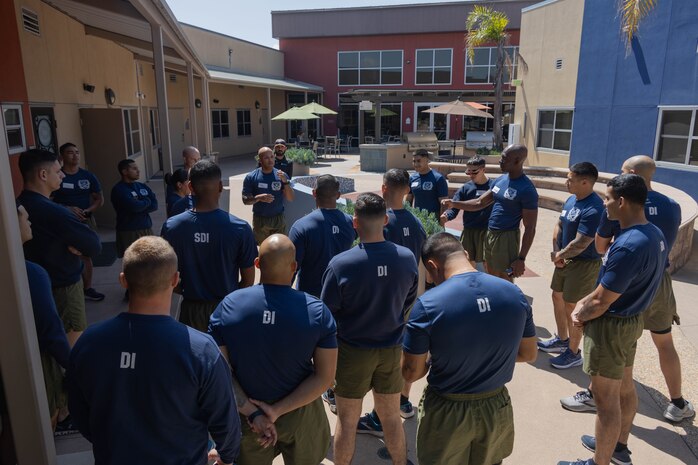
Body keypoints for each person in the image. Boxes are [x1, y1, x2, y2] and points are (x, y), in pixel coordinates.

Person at [67, 236, 240, 465]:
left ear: (123, 281)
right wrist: (226, 457)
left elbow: (79, 411)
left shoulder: (89, 343)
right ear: (175, 280)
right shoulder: (202, 351)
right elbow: (226, 423)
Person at [561, 155, 693, 423]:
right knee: (664, 342)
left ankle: (594, 394)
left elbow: (600, 246)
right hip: (659, 279)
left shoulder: (622, 206)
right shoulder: (672, 205)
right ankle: (678, 402)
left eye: (623, 172)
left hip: (626, 281)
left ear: (632, 175)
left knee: (618, 341)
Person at [557, 174, 667, 465]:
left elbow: (601, 300)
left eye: (607, 198)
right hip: (630, 323)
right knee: (625, 388)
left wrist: (579, 314)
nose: (604, 204)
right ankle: (616, 446)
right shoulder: (654, 234)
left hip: (611, 327)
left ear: (621, 201)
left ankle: (599, 461)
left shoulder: (628, 244)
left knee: (605, 402)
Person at [402, 232, 537, 465]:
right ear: (465, 254)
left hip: (447, 410)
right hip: (496, 406)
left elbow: (411, 373)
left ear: (432, 265)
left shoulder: (428, 305)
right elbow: (528, 353)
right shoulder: (514, 294)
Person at [209, 234, 337, 465]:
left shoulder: (228, 307)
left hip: (247, 420)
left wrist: (254, 412)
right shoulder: (317, 311)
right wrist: (276, 411)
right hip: (301, 414)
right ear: (294, 267)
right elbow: (325, 377)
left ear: (257, 264)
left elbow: (219, 372)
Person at [321, 193, 419, 465]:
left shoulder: (341, 264)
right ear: (386, 220)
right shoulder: (407, 258)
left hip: (352, 352)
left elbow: (326, 314)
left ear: (354, 223)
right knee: (390, 417)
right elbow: (408, 300)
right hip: (391, 350)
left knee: (347, 421)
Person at [347, 168, 426, 430]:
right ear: (407, 191)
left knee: (382, 361)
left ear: (383, 189)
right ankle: (403, 400)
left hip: (382, 301)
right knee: (406, 351)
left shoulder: (383, 222)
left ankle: (379, 416)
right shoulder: (415, 223)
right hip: (408, 298)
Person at [18, 149, 102, 348]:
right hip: (63, 289)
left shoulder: (21, 205)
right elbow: (94, 245)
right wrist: (81, 248)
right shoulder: (54, 212)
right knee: (71, 346)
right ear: (43, 175)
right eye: (58, 171)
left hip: (40, 287)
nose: (63, 175)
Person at [161, 160, 257, 332]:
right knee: (225, 358)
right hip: (228, 309)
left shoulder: (172, 227)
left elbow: (166, 277)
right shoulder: (240, 228)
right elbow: (249, 280)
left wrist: (188, 290)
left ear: (190, 187)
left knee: (193, 357)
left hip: (191, 310)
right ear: (220, 186)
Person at [538, 163, 604, 370]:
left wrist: (559, 255)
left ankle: (574, 353)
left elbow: (583, 241)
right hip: (564, 260)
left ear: (585, 182)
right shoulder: (571, 199)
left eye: (570, 179)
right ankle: (562, 339)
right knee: (557, 296)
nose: (566, 182)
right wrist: (556, 251)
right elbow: (560, 224)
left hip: (583, 264)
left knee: (573, 307)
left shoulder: (594, 208)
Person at [441, 144, 538, 282]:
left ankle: (506, 303)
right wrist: (454, 203)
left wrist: (521, 258)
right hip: (490, 234)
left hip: (507, 237)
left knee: (504, 278)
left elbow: (530, 228)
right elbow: (479, 203)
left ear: (517, 161)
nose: (500, 161)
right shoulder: (500, 180)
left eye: (504, 158)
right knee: (490, 274)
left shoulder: (527, 189)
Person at [17, 200, 71, 429]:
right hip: (34, 357)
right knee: (45, 419)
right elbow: (51, 330)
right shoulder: (30, 273)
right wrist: (74, 364)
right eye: (22, 216)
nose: (28, 220)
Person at [288, 174, 355, 298]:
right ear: (338, 195)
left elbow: (291, 270)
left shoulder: (301, 226)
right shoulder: (352, 223)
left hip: (310, 300)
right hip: (343, 298)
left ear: (314, 193)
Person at [53, 142, 105, 302]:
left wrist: (88, 210)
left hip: (85, 220)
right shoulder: (57, 176)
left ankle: (87, 288)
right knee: (64, 254)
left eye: (77, 152)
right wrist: (66, 208)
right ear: (62, 157)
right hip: (63, 221)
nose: (75, 155)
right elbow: (48, 199)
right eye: (70, 152)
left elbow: (99, 199)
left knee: (86, 255)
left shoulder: (88, 176)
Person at [439, 156, 495, 268]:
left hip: (487, 231)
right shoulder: (465, 188)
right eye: (468, 172)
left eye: (474, 172)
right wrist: (447, 216)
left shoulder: (493, 187)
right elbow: (454, 208)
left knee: (488, 264)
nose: (471, 175)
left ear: (484, 169)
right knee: (468, 262)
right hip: (469, 231)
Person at [242, 147, 294, 244]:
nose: (270, 160)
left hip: (278, 219)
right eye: (266, 158)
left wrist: (285, 182)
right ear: (260, 160)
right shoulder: (251, 177)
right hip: (260, 220)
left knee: (280, 247)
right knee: (263, 249)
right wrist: (258, 198)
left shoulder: (282, 175)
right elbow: (245, 200)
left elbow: (290, 198)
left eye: (271, 157)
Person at [110, 159, 158, 259]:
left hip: (146, 229)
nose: (138, 171)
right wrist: (146, 201)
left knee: (151, 261)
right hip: (129, 231)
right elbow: (135, 207)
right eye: (134, 168)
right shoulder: (119, 190)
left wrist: (141, 204)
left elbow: (155, 205)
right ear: (124, 172)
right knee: (133, 263)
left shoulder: (141, 186)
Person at [406, 149, 449, 217]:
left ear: (427, 160)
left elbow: (444, 203)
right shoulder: (412, 178)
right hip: (418, 218)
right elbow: (408, 200)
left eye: (419, 161)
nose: (416, 164)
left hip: (433, 220)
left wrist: (442, 221)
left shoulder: (438, 178)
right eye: (414, 161)